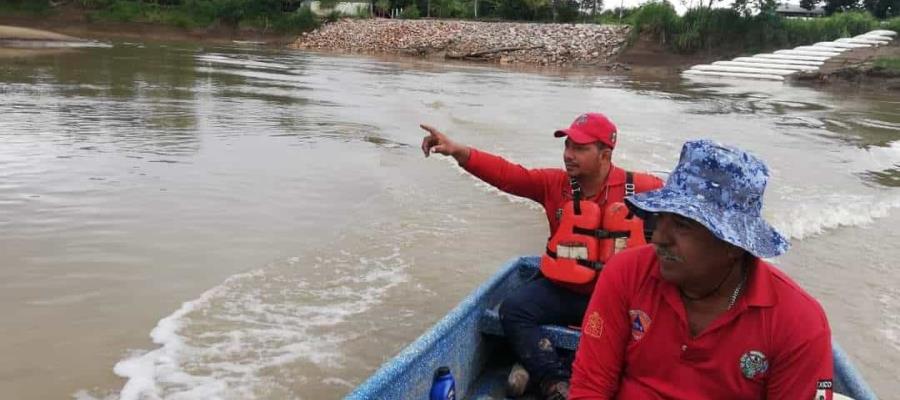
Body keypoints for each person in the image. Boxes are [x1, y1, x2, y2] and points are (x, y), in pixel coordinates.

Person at [420, 113, 664, 400]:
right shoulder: (554, 184)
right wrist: (459, 152)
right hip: (567, 290)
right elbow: (509, 176)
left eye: (580, 149)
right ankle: (555, 381)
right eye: (567, 146)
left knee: (655, 331)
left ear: (605, 155)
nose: (568, 155)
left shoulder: (644, 189)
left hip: (618, 299)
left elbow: (687, 219)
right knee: (514, 309)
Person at [569, 139, 834, 400]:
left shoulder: (798, 323)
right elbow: (590, 387)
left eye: (683, 225)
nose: (659, 238)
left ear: (734, 244)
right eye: (659, 218)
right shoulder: (626, 273)